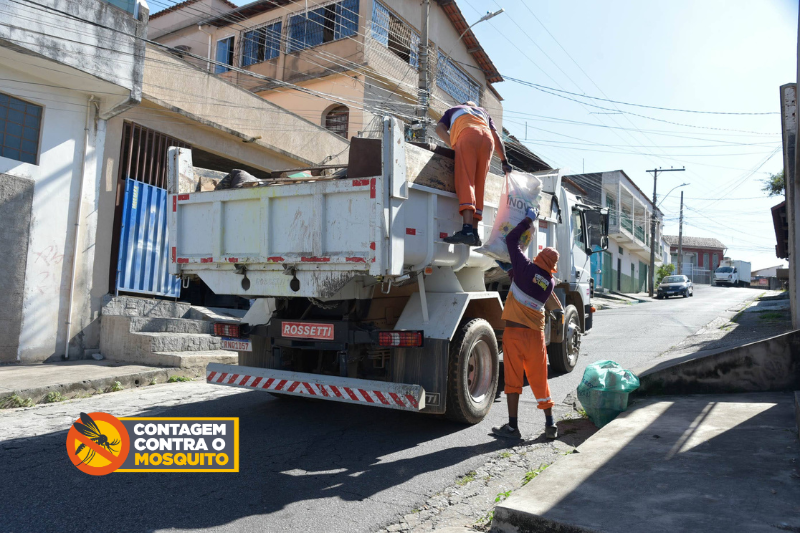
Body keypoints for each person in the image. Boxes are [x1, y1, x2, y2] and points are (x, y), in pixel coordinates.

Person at [492, 207, 563, 440]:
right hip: (535, 336)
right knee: (539, 379)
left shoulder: (525, 267)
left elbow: (511, 239)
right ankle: (550, 425)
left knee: (513, 380)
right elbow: (532, 284)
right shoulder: (550, 284)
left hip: (514, 334)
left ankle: (513, 428)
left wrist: (528, 221)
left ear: (538, 258)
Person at [435, 101, 513, 246]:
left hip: (468, 135)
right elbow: (496, 137)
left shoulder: (454, 109)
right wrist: (504, 161)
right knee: (479, 184)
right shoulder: (483, 112)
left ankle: (467, 230)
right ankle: (475, 233)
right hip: (487, 140)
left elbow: (439, 129)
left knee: (466, 181)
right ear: (474, 106)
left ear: (464, 105)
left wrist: (454, 145)